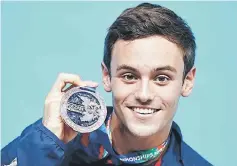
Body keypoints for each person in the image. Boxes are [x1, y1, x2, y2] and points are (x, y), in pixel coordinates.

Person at [1, 2, 212, 166]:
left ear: (187, 82)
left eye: (162, 78)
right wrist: (45, 145)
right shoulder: (49, 140)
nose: (144, 94)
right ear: (106, 76)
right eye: (129, 76)